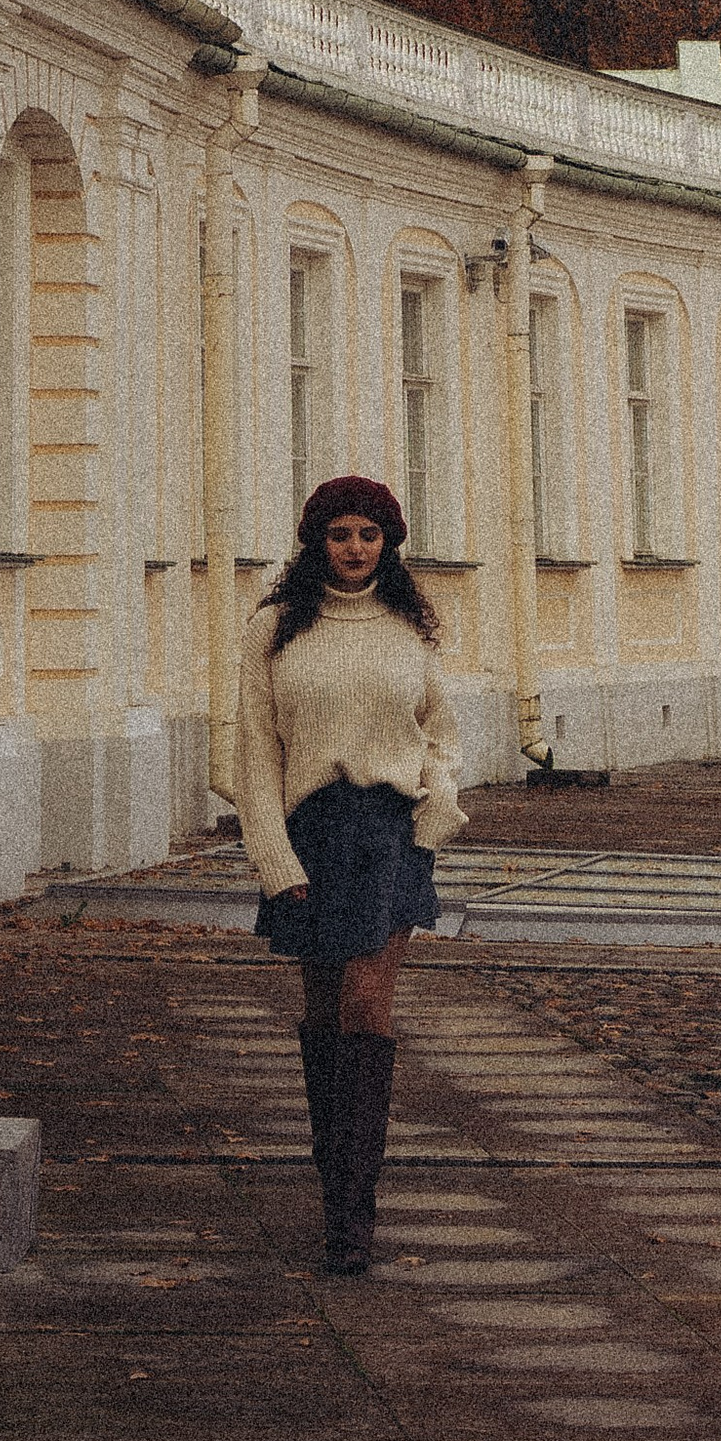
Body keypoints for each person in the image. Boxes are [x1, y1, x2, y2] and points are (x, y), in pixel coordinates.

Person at [237, 474, 465, 1274]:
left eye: (369, 535)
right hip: (310, 833)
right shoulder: (274, 629)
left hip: (389, 834)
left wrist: (436, 815)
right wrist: (274, 859)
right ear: (317, 543)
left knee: (368, 1001)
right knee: (325, 1010)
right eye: (340, 535)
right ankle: (336, 1185)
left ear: (389, 543)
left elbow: (442, 733)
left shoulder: (410, 627)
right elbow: (256, 753)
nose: (355, 549)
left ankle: (355, 1217)